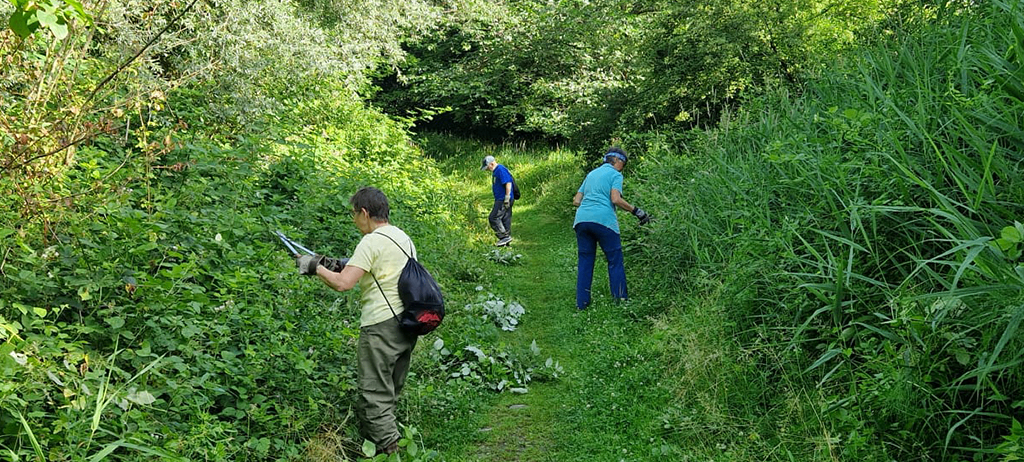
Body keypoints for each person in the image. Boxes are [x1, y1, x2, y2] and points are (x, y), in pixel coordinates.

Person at [295, 186, 417, 455]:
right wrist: (334, 263)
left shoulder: (371, 241)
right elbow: (378, 269)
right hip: (407, 324)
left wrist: (314, 267)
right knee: (389, 390)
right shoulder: (402, 237)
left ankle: (390, 452)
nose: (354, 220)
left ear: (364, 212)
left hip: (380, 327)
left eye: (354, 214)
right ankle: (377, 444)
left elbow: (343, 284)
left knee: (373, 392)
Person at [571, 147, 651, 310]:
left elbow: (576, 200)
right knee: (615, 261)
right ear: (618, 161)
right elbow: (615, 199)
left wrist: (590, 206)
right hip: (604, 221)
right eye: (624, 164)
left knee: (585, 261)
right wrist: (637, 212)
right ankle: (620, 301)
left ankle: (582, 305)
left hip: (581, 220)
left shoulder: (592, 174)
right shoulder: (615, 174)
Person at [481, 155, 515, 246]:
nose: (487, 169)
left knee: (493, 218)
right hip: (502, 198)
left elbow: (508, 183)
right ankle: (506, 244)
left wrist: (507, 197)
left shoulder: (500, 169)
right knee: (505, 220)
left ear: (491, 164)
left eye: (487, 167)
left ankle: (504, 237)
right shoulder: (496, 171)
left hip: (503, 199)